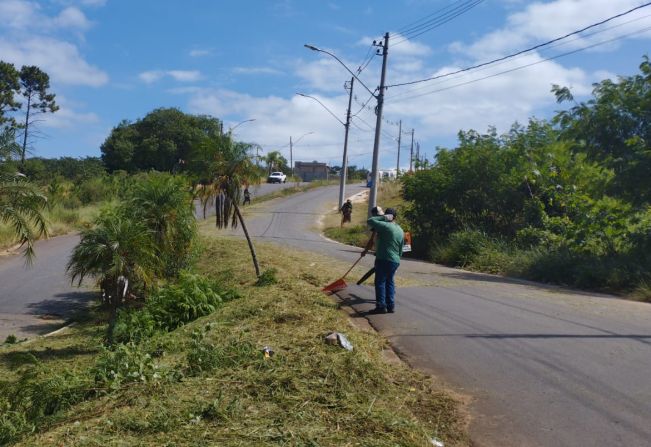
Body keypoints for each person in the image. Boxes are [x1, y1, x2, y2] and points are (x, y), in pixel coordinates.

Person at [362, 207, 404, 314]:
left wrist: (383, 217)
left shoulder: (385, 226)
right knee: (389, 282)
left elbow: (370, 221)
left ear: (388, 216)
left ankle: (381, 306)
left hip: (384, 258)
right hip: (395, 260)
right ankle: (390, 306)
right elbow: (401, 248)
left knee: (380, 282)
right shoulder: (400, 229)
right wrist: (397, 259)